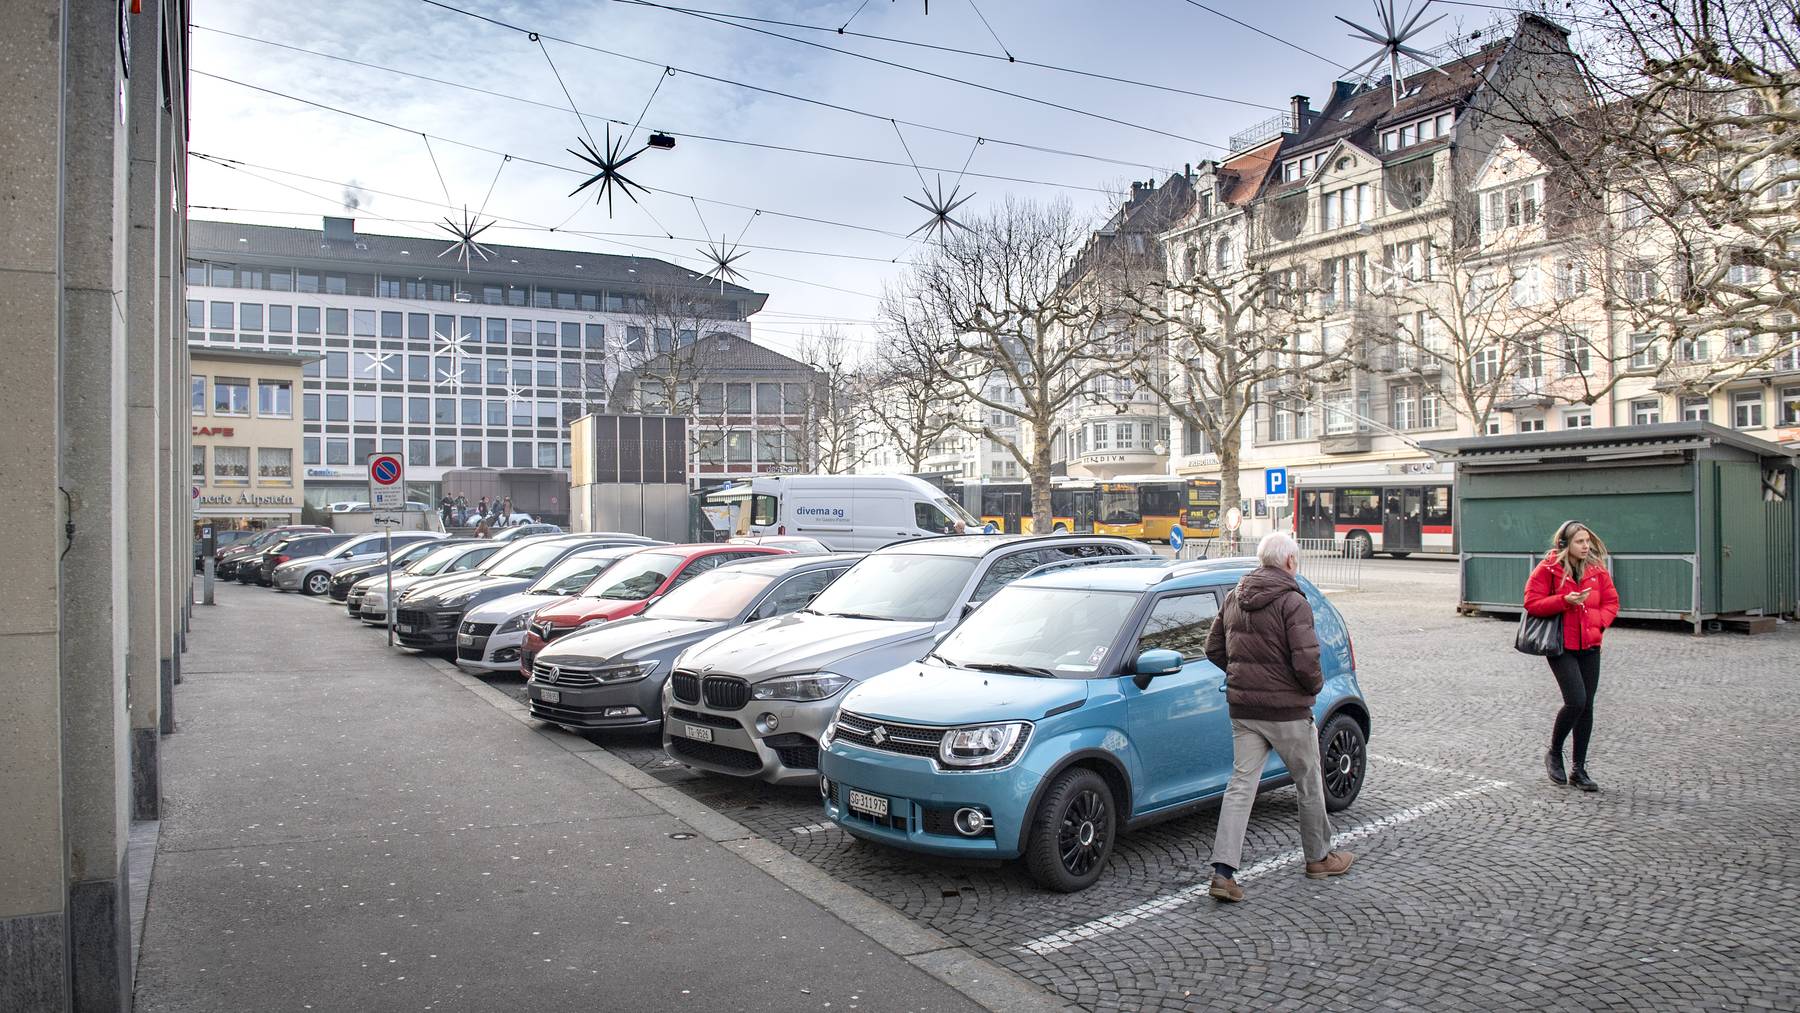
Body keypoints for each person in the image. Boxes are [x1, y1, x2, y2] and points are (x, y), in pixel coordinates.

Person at [1202, 531, 1354, 903]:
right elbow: (1307, 660)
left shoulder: (1235, 596)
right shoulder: (1292, 600)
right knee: (1308, 780)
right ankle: (1319, 858)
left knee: (1240, 788)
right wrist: (1311, 688)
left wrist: (1242, 676)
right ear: (1288, 562)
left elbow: (1213, 648)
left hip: (1244, 710)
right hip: (1287, 711)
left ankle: (1224, 873)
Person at [1523, 520, 1619, 792]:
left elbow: (1611, 602)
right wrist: (1565, 601)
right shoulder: (1548, 569)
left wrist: (1598, 622)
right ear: (1564, 544)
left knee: (1587, 706)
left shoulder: (1597, 570)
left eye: (1587, 541)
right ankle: (1554, 751)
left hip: (1590, 644)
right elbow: (1531, 603)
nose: (1586, 546)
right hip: (1561, 646)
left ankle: (1579, 769)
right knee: (1575, 700)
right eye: (1580, 541)